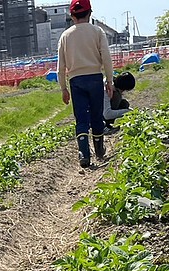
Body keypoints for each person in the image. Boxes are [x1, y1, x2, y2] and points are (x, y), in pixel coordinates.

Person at [57, 0, 114, 167]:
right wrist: (109, 80)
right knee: (96, 115)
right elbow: (107, 58)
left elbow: (60, 67)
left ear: (72, 16)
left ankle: (84, 153)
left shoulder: (65, 36)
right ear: (90, 13)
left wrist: (63, 88)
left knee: (81, 117)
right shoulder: (97, 31)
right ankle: (99, 149)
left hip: (76, 81)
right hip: (95, 77)